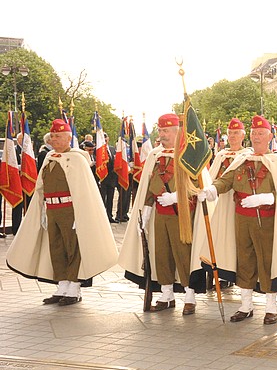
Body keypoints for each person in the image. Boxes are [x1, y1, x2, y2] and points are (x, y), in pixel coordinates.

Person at [197, 115, 277, 324]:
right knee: (244, 261)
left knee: (266, 262)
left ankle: (271, 307)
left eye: (260, 133)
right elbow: (226, 179)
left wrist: (267, 197)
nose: (256, 137)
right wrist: (212, 189)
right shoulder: (242, 160)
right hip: (242, 219)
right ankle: (246, 305)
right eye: (254, 133)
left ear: (270, 136)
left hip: (265, 220)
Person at [6, 119, 117, 305]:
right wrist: (40, 210)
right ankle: (62, 285)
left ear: (68, 138)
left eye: (58, 137)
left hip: (70, 210)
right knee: (56, 247)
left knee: (72, 248)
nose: (54, 140)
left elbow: (84, 191)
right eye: (53, 137)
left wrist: (79, 213)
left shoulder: (77, 159)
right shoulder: (49, 157)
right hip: (52, 209)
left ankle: (74, 288)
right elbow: (41, 187)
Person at [118, 113, 209, 315]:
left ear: (178, 132)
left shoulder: (188, 154)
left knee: (183, 255)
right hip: (160, 212)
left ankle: (189, 295)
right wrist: (147, 208)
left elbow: (197, 185)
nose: (162, 134)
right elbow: (150, 185)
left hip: (183, 213)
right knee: (162, 253)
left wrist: (177, 197)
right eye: (160, 130)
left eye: (166, 131)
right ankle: (166, 294)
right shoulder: (156, 155)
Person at [189, 117, 250, 291]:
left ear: (243, 135)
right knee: (220, 238)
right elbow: (213, 177)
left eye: (236, 133)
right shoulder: (222, 155)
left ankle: (237, 274)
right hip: (220, 201)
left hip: (238, 202)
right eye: (230, 133)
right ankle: (222, 272)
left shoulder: (247, 155)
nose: (232, 136)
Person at [99, 133, 118, 223]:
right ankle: (101, 217)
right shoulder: (98, 150)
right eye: (103, 138)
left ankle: (109, 216)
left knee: (110, 199)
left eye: (106, 137)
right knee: (102, 198)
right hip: (102, 178)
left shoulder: (112, 149)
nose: (105, 139)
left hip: (112, 178)